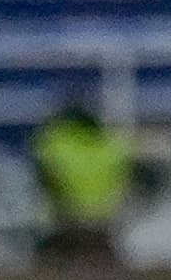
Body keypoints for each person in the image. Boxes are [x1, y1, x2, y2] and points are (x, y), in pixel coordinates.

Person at [29, 98, 135, 265]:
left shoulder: (53, 140)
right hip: (104, 222)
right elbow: (125, 182)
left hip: (67, 222)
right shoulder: (114, 145)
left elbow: (47, 178)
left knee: (47, 263)